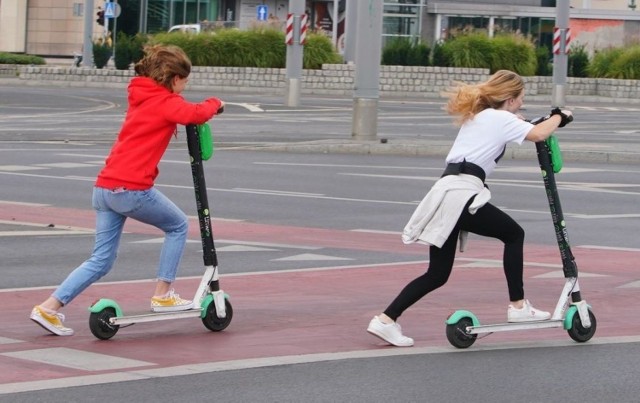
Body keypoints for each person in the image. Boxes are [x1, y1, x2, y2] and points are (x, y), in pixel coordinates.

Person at [367, 70, 573, 347]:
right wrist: (560, 116)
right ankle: (518, 306)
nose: (521, 105)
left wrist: (519, 120)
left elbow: (515, 127)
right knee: (514, 234)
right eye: (521, 100)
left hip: (446, 191)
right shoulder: (500, 118)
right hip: (463, 192)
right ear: (510, 99)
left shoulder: (481, 116)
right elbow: (538, 134)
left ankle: (385, 320)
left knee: (437, 274)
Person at [30, 44, 224, 336]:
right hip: (131, 189)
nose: (185, 87)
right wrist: (215, 103)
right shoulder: (165, 101)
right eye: (185, 81)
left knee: (101, 260)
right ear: (174, 79)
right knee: (178, 225)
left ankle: (48, 308)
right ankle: (163, 294)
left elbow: (180, 112)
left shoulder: (143, 97)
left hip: (105, 188)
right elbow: (195, 114)